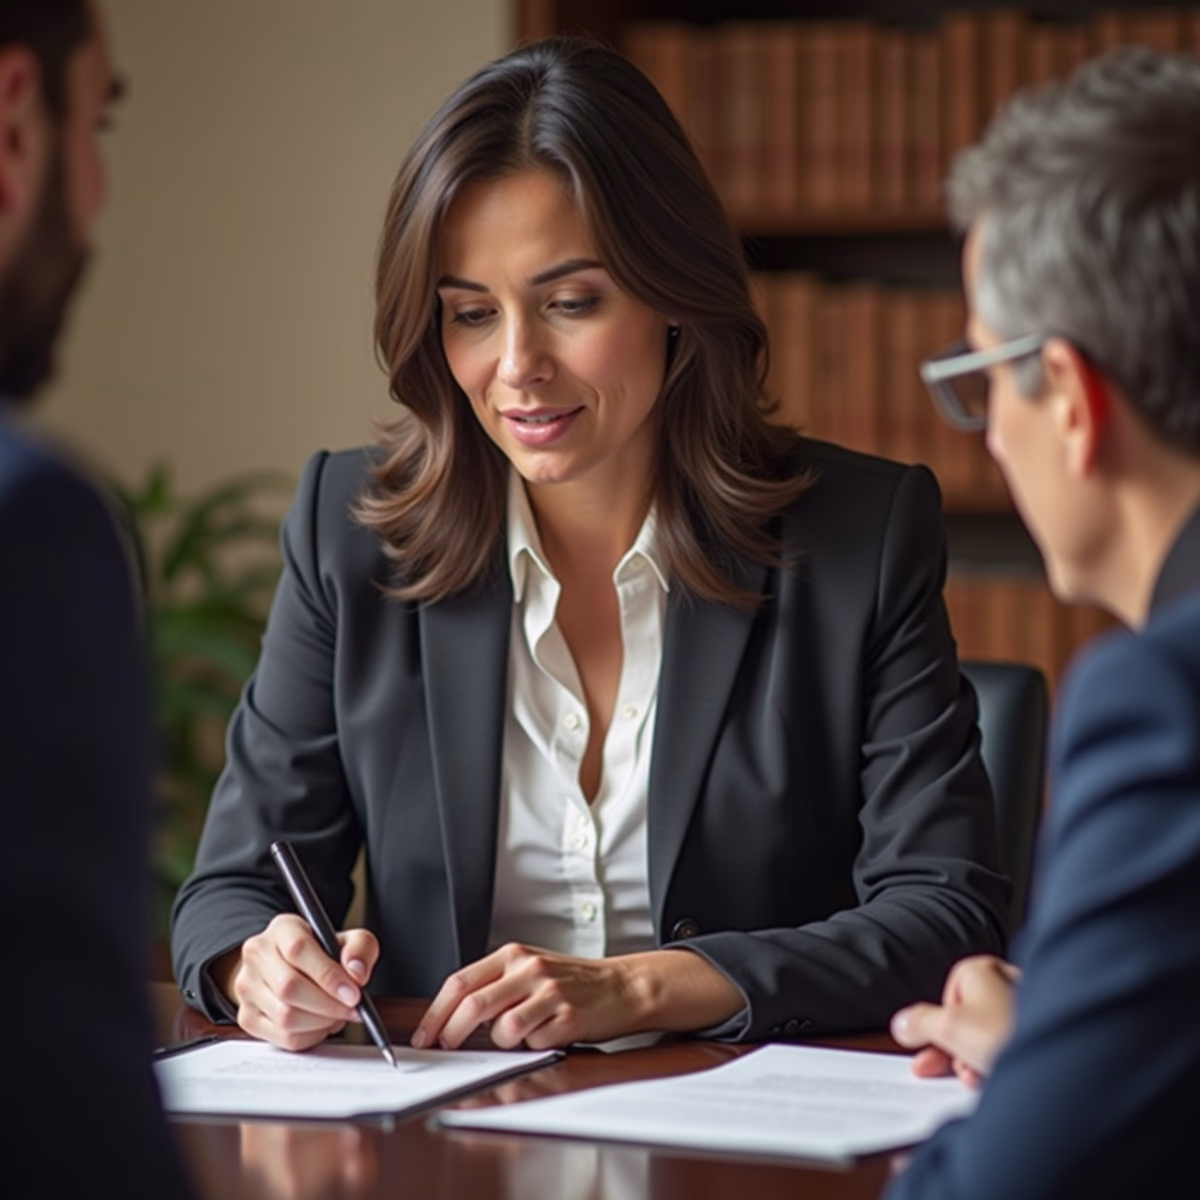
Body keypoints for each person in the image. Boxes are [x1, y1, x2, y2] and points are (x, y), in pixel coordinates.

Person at [171, 36, 1008, 1055]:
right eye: (472, 315)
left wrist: (649, 988)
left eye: (572, 303)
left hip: (745, 1150)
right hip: (447, 1140)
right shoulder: (351, 533)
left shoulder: (858, 537)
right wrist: (256, 967)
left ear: (672, 297)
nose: (517, 366)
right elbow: (229, 890)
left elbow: (946, 916)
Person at [885, 46, 1200, 1199]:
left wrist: (1040, 1085)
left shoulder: (1162, 700)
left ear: (1066, 396)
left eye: (985, 378)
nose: (989, 433)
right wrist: (1071, 1046)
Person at [0, 2, 195, 1197]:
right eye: (98, 128)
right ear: (16, 116)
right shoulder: (29, 527)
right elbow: (64, 1126)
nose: (100, 194)